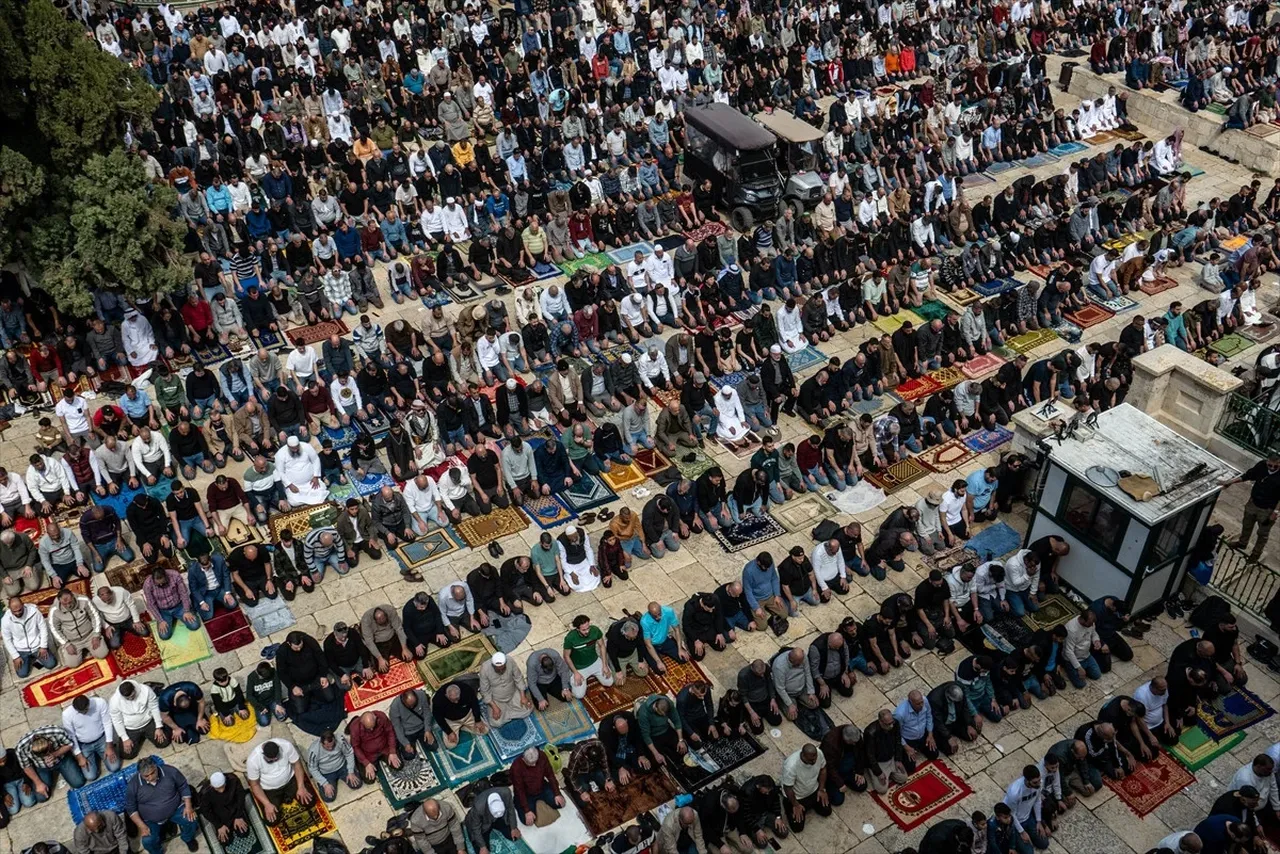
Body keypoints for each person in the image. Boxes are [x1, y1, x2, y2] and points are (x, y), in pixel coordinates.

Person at [124, 757, 198, 854]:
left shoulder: (170, 771)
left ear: (156, 766)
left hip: (175, 809)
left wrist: (188, 806)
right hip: (151, 820)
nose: (151, 777)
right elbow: (130, 807)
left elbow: (183, 785)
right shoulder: (133, 785)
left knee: (192, 819)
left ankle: (188, 838)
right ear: (140, 774)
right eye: (146, 776)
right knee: (148, 841)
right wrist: (141, 826)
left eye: (153, 772)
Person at [246, 738, 314, 824]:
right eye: (271, 761)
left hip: (290, 781)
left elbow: (297, 765)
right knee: (272, 821)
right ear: (263, 753)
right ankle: (283, 798)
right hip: (270, 790)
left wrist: (301, 787)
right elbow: (254, 785)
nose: (274, 761)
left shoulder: (286, 745)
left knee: (310, 801)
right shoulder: (253, 760)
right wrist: (267, 804)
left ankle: (287, 796)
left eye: (276, 758)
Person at [16, 725, 86, 799]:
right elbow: (26, 766)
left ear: (50, 743)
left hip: (62, 759)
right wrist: (38, 783)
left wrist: (56, 754)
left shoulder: (57, 732)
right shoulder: (21, 747)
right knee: (41, 797)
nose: (46, 756)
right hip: (41, 767)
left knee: (78, 783)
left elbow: (69, 744)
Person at [62, 694, 119, 782]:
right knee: (90, 776)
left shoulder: (100, 703)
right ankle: (94, 758)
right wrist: (79, 756)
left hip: (101, 739)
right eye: (81, 712)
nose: (84, 712)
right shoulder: (67, 714)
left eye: (85, 709)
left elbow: (107, 723)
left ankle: (98, 755)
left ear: (89, 703)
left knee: (115, 767)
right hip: (84, 745)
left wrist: (109, 746)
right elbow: (71, 736)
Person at [109, 680, 167, 759]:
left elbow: (154, 708)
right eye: (127, 698)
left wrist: (158, 727)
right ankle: (140, 737)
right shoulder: (114, 701)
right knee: (127, 755)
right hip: (131, 728)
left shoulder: (146, 690)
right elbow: (117, 721)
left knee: (164, 742)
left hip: (148, 722)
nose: (130, 699)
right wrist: (125, 738)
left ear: (134, 689)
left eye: (132, 696)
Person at [781, 744, 830, 833]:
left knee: (827, 811)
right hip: (797, 797)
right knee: (797, 828)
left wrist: (822, 789)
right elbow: (788, 788)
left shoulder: (819, 753)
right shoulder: (791, 766)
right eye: (811, 760)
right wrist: (795, 804)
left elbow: (823, 769)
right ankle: (789, 807)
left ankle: (809, 805)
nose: (814, 761)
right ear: (803, 755)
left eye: (815, 758)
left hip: (813, 790)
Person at [2, 596, 56, 677]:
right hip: (21, 650)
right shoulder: (6, 620)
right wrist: (15, 656)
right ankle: (28, 659)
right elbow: (7, 640)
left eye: (20, 610)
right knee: (22, 674)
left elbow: (43, 628)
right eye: (14, 611)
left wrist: (43, 646)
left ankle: (36, 657)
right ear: (10, 609)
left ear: (23, 605)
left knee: (51, 664)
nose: (18, 613)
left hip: (37, 647)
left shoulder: (34, 611)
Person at [509, 746, 563, 825]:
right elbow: (519, 790)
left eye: (535, 762)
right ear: (524, 759)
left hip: (542, 787)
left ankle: (540, 804)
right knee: (527, 821)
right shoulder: (516, 767)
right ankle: (520, 804)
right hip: (526, 794)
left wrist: (557, 793)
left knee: (560, 804)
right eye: (531, 763)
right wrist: (527, 810)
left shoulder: (542, 756)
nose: (534, 765)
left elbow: (550, 775)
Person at [563, 614, 614, 698]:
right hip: (579, 667)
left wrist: (604, 665)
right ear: (577, 629)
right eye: (583, 630)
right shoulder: (570, 638)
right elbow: (566, 656)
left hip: (594, 661)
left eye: (588, 628)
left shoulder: (595, 630)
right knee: (579, 695)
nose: (587, 631)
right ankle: (572, 676)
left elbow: (602, 646)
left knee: (609, 682)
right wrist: (575, 672)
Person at [197, 772, 253, 846]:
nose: (222, 790)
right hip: (220, 816)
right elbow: (206, 811)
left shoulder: (233, 780)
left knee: (243, 833)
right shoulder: (205, 793)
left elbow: (241, 796)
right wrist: (219, 825)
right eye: (218, 788)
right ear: (211, 786)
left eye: (223, 786)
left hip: (235, 810)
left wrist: (238, 815)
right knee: (225, 842)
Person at [432, 679, 488, 747]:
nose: (456, 702)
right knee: (450, 745)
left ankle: (463, 727)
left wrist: (478, 720)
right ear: (447, 696)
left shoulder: (466, 689)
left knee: (484, 730)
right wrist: (449, 732)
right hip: (451, 721)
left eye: (457, 699)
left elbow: (474, 704)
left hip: (467, 716)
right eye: (453, 700)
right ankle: (461, 727)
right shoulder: (438, 699)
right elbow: (438, 717)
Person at [479, 652, 532, 724]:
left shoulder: (510, 660)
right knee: (496, 722)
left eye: (502, 669)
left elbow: (518, 677)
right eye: (498, 670)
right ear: (493, 665)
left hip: (513, 693)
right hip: (497, 699)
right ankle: (509, 712)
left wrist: (523, 697)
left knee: (528, 709)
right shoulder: (485, 668)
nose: (501, 671)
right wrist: (494, 707)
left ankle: (507, 713)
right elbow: (484, 691)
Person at [465, 789, 521, 853]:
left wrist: (513, 828)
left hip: (497, 819)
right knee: (482, 850)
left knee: (514, 836)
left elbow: (511, 809)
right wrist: (482, 846)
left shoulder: (506, 793)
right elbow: (475, 828)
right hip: (482, 823)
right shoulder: (478, 807)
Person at [350, 710, 401, 781]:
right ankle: (360, 763)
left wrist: (392, 751)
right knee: (369, 779)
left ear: (375, 718)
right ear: (362, 723)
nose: (371, 729)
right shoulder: (355, 728)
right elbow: (356, 747)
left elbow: (390, 732)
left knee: (399, 766)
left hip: (385, 748)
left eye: (373, 727)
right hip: (368, 754)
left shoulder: (381, 716)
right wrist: (366, 763)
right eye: (369, 728)